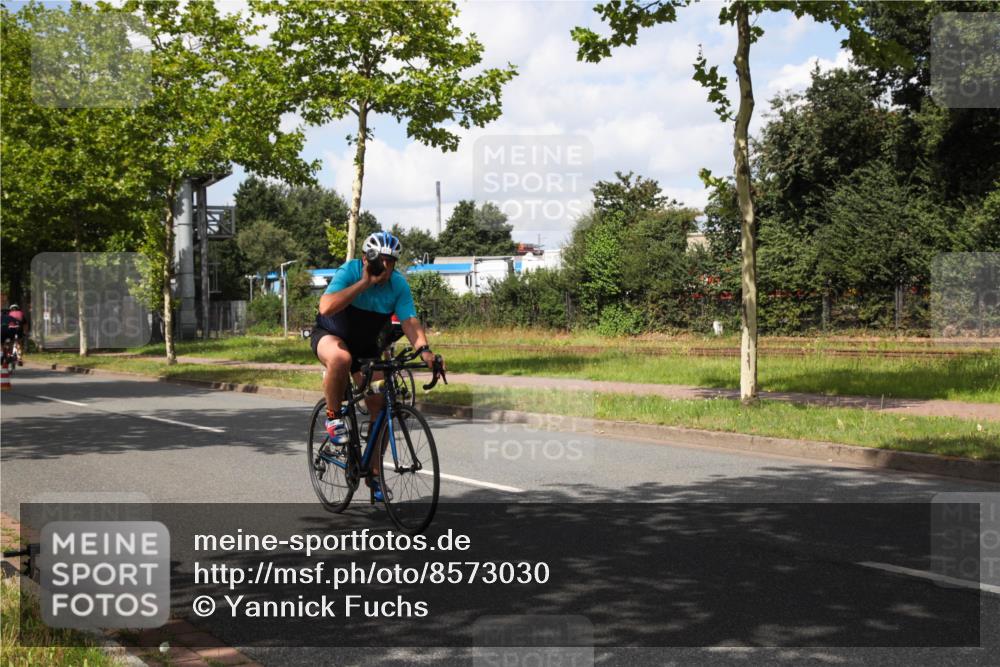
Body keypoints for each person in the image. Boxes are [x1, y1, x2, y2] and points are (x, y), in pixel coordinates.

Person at [311, 231, 444, 501]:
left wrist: (425, 351)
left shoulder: (398, 285)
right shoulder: (350, 271)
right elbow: (325, 307)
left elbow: (409, 321)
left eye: (390, 261)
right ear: (365, 259)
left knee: (381, 405)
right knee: (340, 359)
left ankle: (373, 473)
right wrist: (364, 283)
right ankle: (334, 417)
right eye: (378, 260)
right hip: (331, 336)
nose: (384, 266)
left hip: (366, 349)